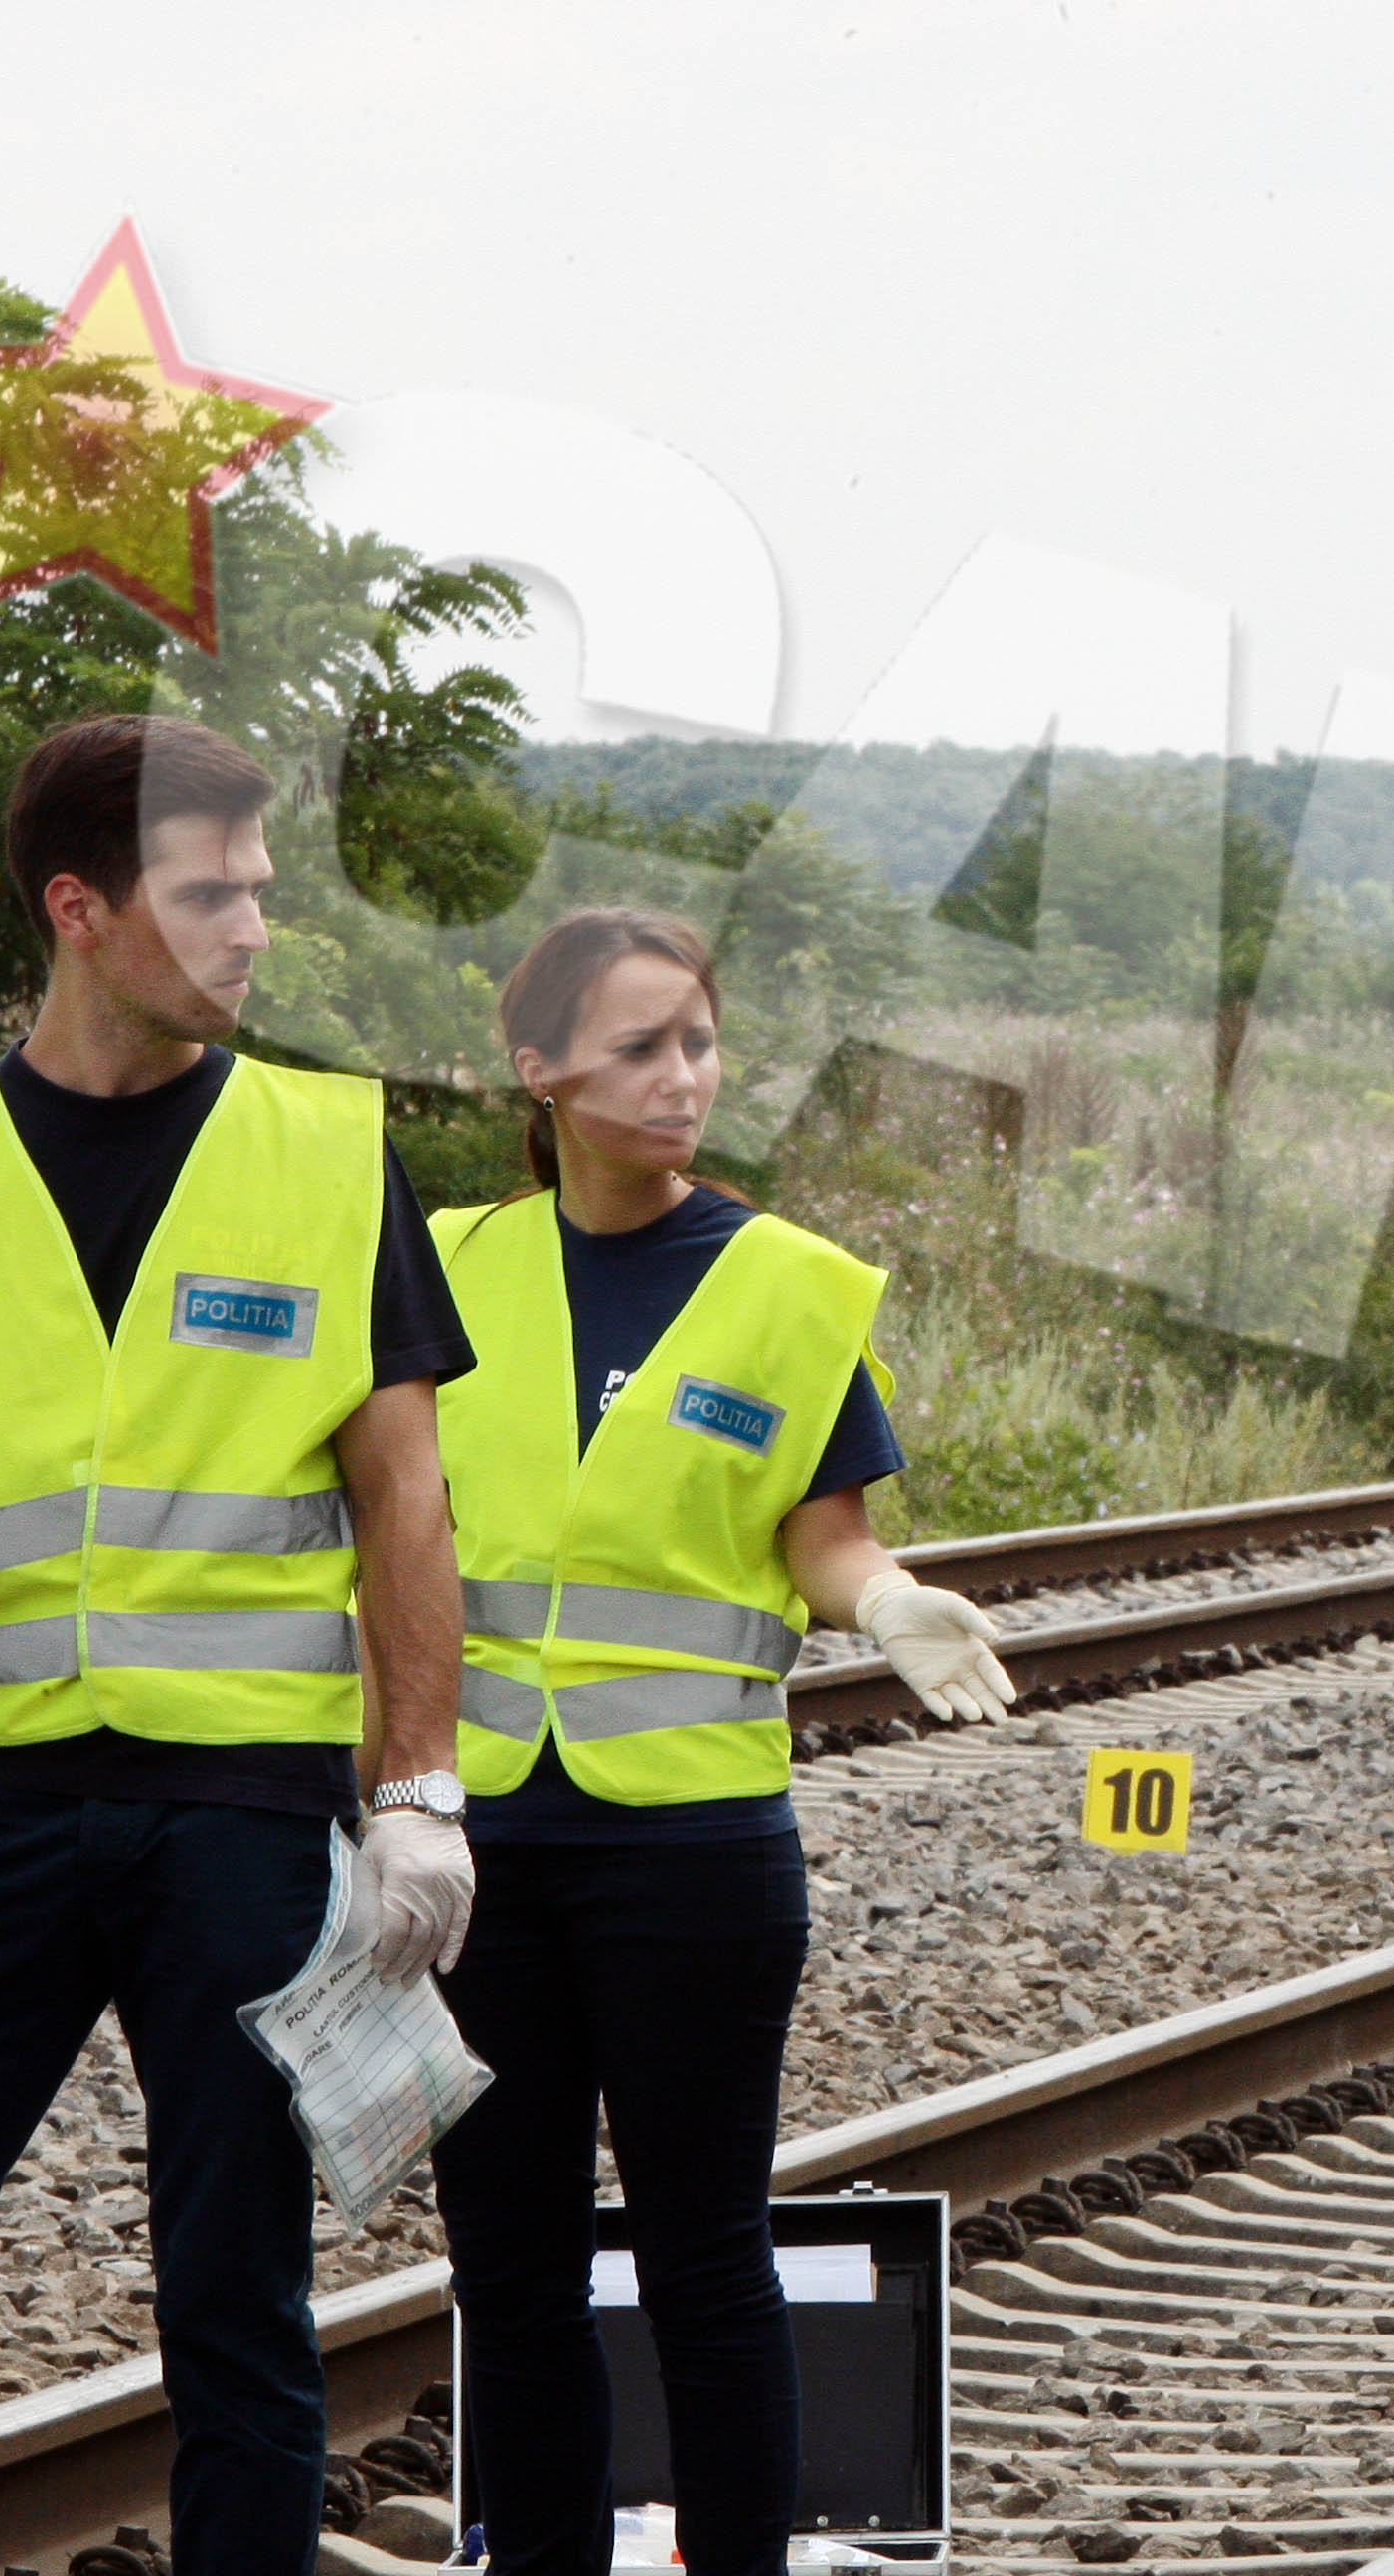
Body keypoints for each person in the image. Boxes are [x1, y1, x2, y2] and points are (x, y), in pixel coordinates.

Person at [0, 713, 478, 2573]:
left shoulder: (329, 1149)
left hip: (243, 1817)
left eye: (259, 887)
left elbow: (405, 1497)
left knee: (233, 2311)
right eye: (209, 893)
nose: (254, 929)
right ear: (80, 907)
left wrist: (419, 1790)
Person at [426, 910, 1016, 2576]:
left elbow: (820, 1536)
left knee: (705, 2256)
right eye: (638, 1047)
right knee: (510, 2267)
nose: (682, 1078)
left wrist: (886, 1595)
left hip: (691, 1847)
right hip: (472, 1845)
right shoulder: (447, 1264)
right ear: (536, 1070)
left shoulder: (783, 1288)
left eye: (697, 1041)